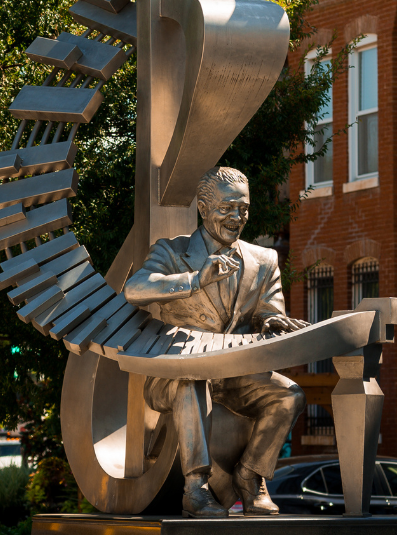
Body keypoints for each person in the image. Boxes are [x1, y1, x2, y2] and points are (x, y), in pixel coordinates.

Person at [123, 166, 308, 518]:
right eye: (227, 208)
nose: (237, 217)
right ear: (204, 208)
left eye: (244, 209)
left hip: (235, 373)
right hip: (175, 373)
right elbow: (135, 289)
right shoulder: (172, 252)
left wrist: (271, 320)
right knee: (191, 380)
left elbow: (268, 310)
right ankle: (196, 487)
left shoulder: (264, 260)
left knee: (289, 395)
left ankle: (251, 476)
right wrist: (195, 279)